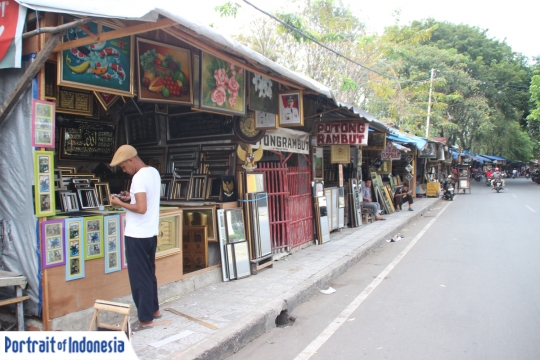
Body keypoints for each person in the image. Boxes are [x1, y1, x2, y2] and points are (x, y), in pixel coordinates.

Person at [110, 145, 162, 332]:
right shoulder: (153, 172)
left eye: (123, 167)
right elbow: (144, 200)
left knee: (139, 278)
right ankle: (154, 310)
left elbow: (141, 208)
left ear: (131, 160)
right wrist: (129, 197)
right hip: (150, 233)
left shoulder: (138, 177)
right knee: (149, 274)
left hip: (137, 235)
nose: (124, 171)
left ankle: (145, 319)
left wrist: (118, 204)